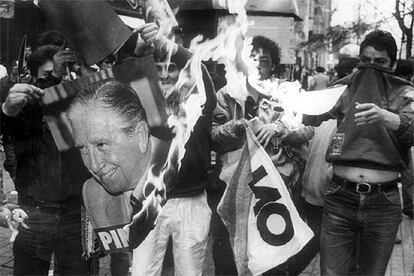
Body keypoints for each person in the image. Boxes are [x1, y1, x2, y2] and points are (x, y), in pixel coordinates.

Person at [69, 22, 216, 276]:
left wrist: (169, 46)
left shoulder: (197, 100)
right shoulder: (141, 104)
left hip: (191, 200)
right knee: (141, 271)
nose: (165, 74)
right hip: (149, 200)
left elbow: (197, 68)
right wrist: (134, 49)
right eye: (158, 69)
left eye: (172, 68)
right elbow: (120, 78)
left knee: (190, 272)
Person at [302, 30, 414, 275]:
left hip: (383, 203)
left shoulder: (405, 92)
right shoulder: (345, 87)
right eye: (366, 60)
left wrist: (388, 117)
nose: (371, 67)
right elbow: (310, 115)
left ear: (393, 64)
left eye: (380, 62)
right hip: (340, 198)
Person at [212, 35, 314, 275]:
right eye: (252, 58)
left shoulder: (285, 92)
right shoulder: (227, 94)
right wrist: (236, 127)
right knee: (228, 258)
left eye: (264, 60)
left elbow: (307, 129)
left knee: (274, 260)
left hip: (275, 189)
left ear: (273, 65)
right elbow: (213, 135)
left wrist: (279, 129)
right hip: (234, 189)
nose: (258, 64)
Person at [0, 44, 90, 275]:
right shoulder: (23, 109)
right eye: (47, 75)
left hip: (75, 215)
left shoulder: (80, 107)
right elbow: (17, 120)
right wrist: (53, 80)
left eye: (64, 75)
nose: (58, 85)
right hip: (35, 214)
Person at [395, 59, 414, 219]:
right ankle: (409, 206)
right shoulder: (407, 91)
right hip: (401, 141)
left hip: (392, 141)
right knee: (407, 175)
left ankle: (408, 206)